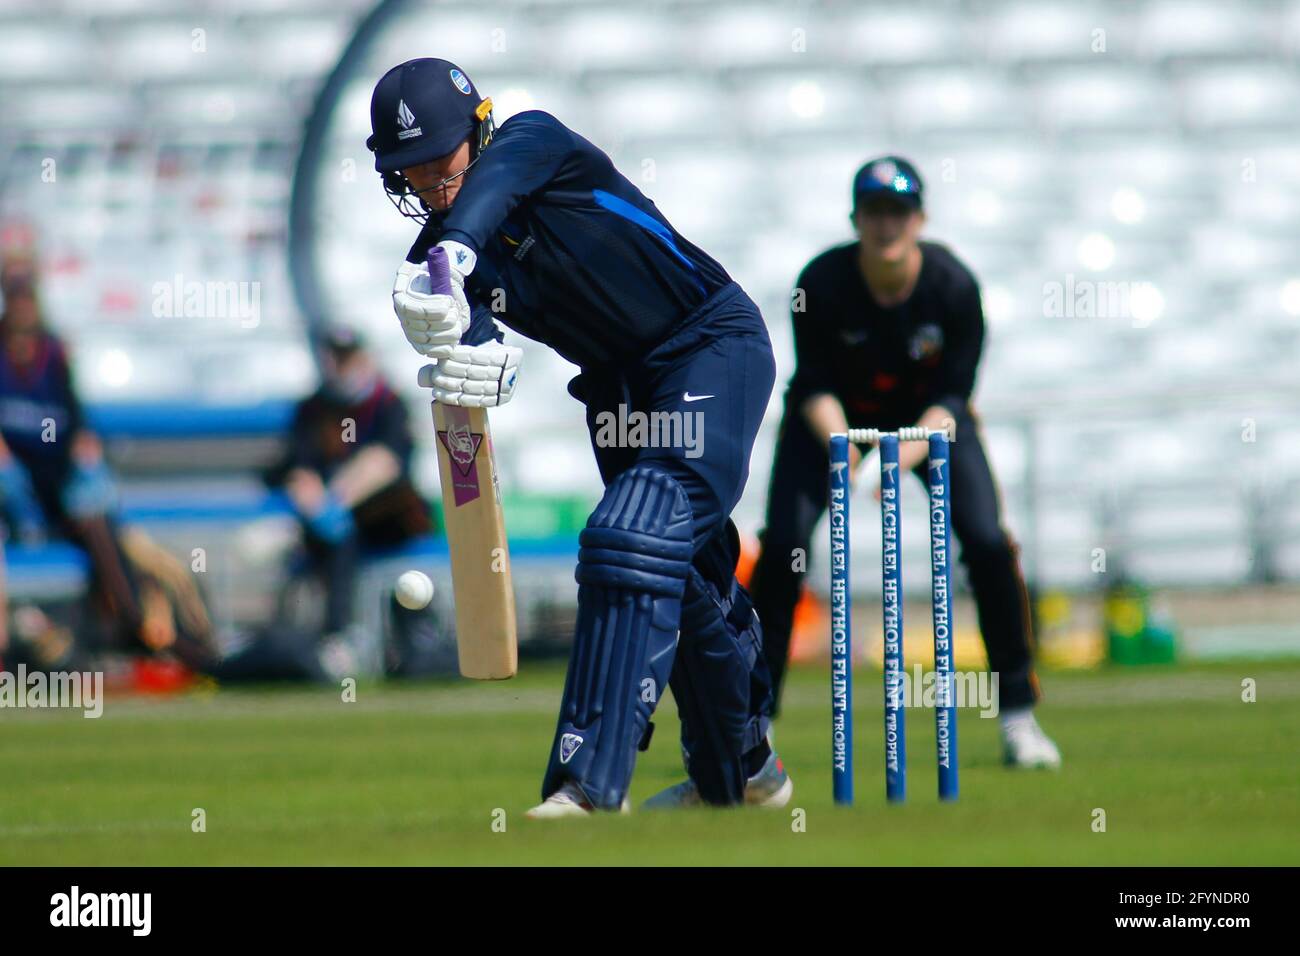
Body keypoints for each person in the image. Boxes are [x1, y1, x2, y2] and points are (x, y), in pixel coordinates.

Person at [367, 58, 785, 815]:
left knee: (631, 536)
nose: (430, 184)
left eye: (440, 160)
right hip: (617, 389)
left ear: (479, 130)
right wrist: (463, 353)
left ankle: (587, 784)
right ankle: (743, 771)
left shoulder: (534, 146)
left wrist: (448, 256)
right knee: (682, 578)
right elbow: (474, 335)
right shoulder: (441, 260)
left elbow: (481, 205)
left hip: (709, 344)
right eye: (410, 173)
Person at [747, 156, 1061, 768]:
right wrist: (847, 454)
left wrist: (894, 461)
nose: (886, 224)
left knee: (989, 544)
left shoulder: (954, 288)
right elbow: (810, 383)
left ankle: (1019, 716)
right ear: (856, 219)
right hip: (831, 423)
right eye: (874, 212)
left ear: (919, 219)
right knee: (783, 546)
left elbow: (952, 400)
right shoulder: (821, 283)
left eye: (898, 212)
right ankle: (752, 725)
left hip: (928, 427)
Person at [265, 324, 433, 645]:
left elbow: (386, 461)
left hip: (387, 516)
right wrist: (314, 499)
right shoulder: (313, 409)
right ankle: (336, 638)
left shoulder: (388, 403)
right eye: (335, 357)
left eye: (348, 357)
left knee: (348, 538)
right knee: (334, 543)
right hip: (333, 527)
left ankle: (408, 641)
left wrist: (338, 499)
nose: (341, 365)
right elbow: (299, 466)